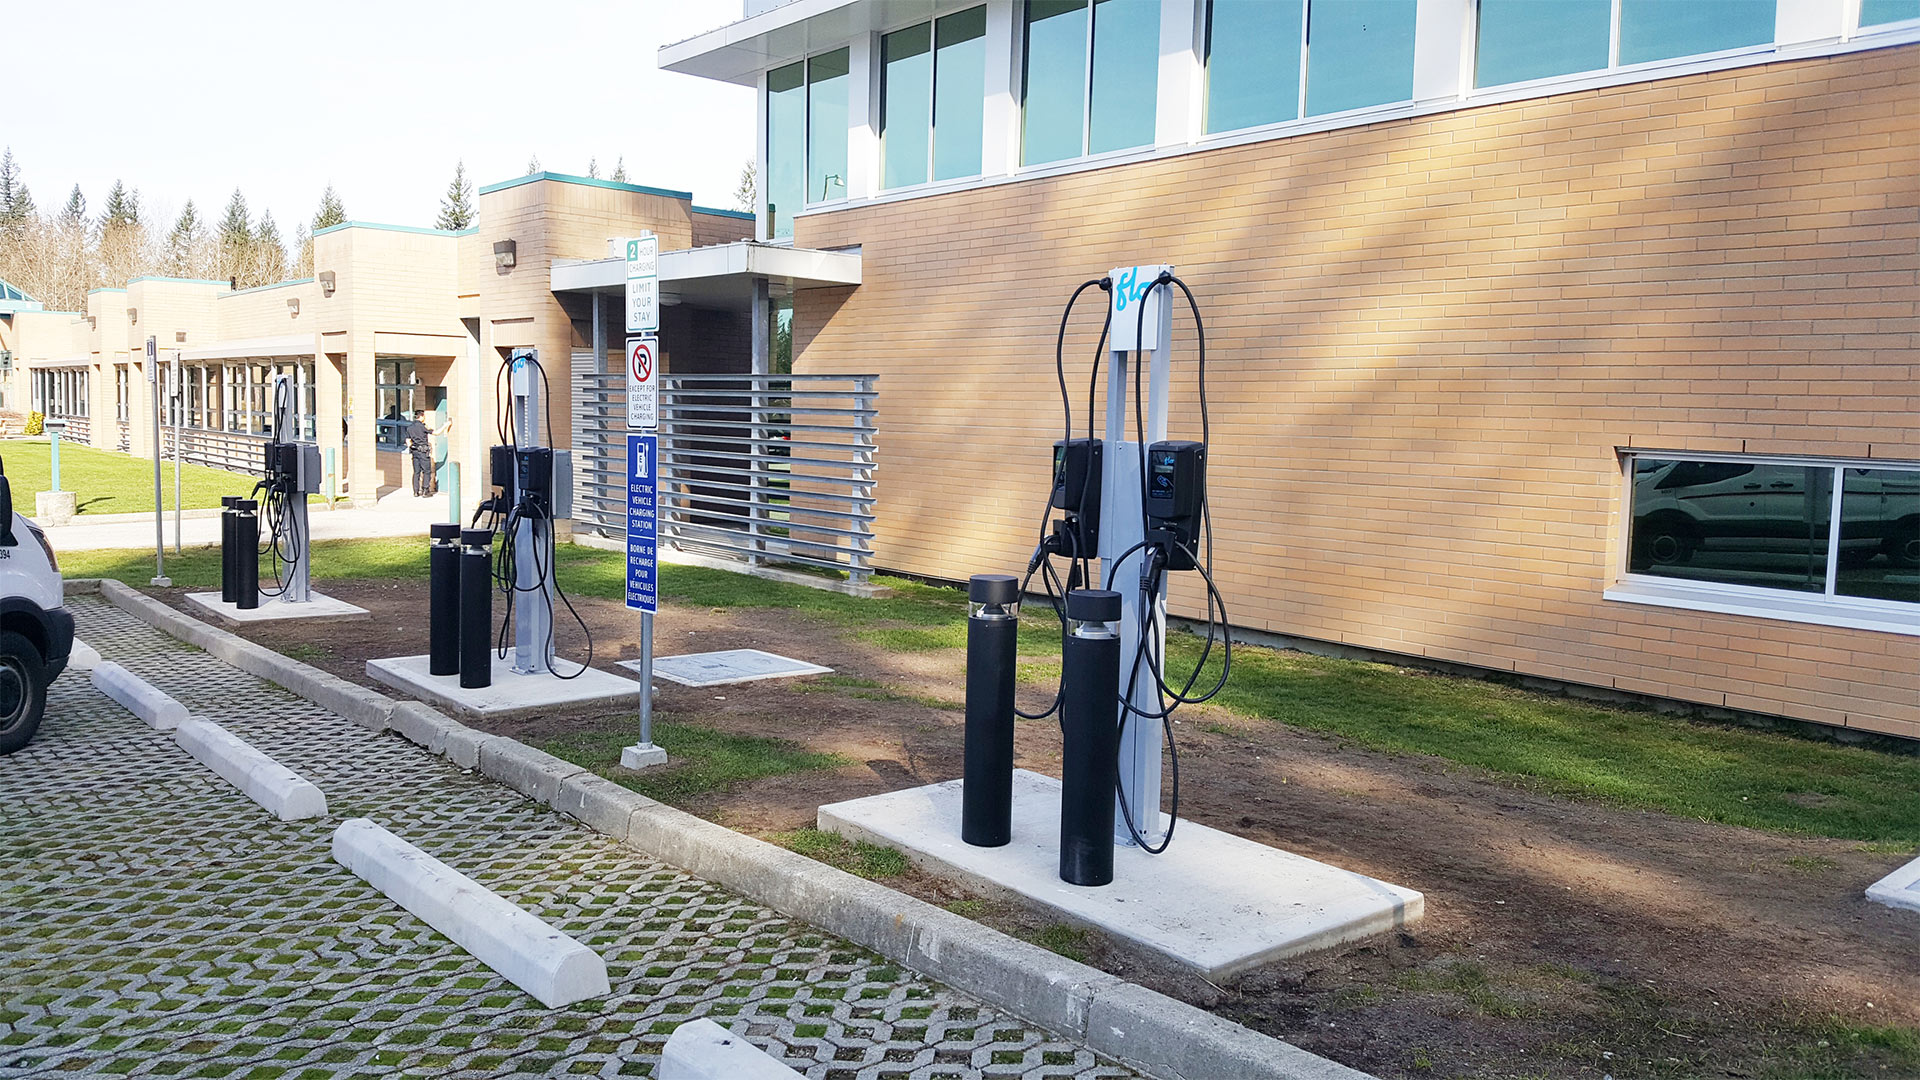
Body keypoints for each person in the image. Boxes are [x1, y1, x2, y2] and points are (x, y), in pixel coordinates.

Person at [405, 409, 434, 497]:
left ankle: (416, 491)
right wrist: (446, 426)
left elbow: (408, 441)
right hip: (423, 452)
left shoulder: (410, 427)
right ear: (421, 416)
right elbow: (435, 432)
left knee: (416, 472)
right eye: (424, 416)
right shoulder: (422, 427)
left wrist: (413, 447)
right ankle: (425, 490)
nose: (424, 418)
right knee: (426, 471)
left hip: (415, 452)